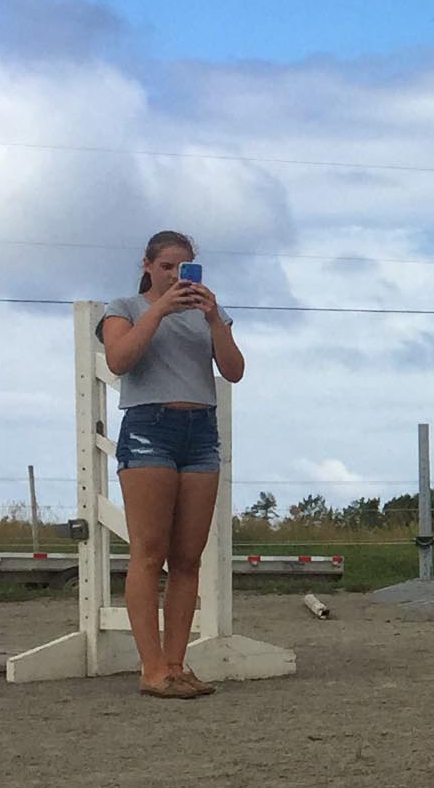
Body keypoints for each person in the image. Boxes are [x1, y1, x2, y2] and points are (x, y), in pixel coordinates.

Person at [96, 230, 246, 699]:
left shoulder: (207, 315)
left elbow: (235, 370)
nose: (175, 276)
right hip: (149, 427)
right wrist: (159, 309)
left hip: (200, 430)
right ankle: (152, 667)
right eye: (166, 267)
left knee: (187, 557)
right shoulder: (124, 307)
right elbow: (119, 360)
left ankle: (177, 664)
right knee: (149, 550)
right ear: (146, 265)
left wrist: (215, 318)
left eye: (184, 269)